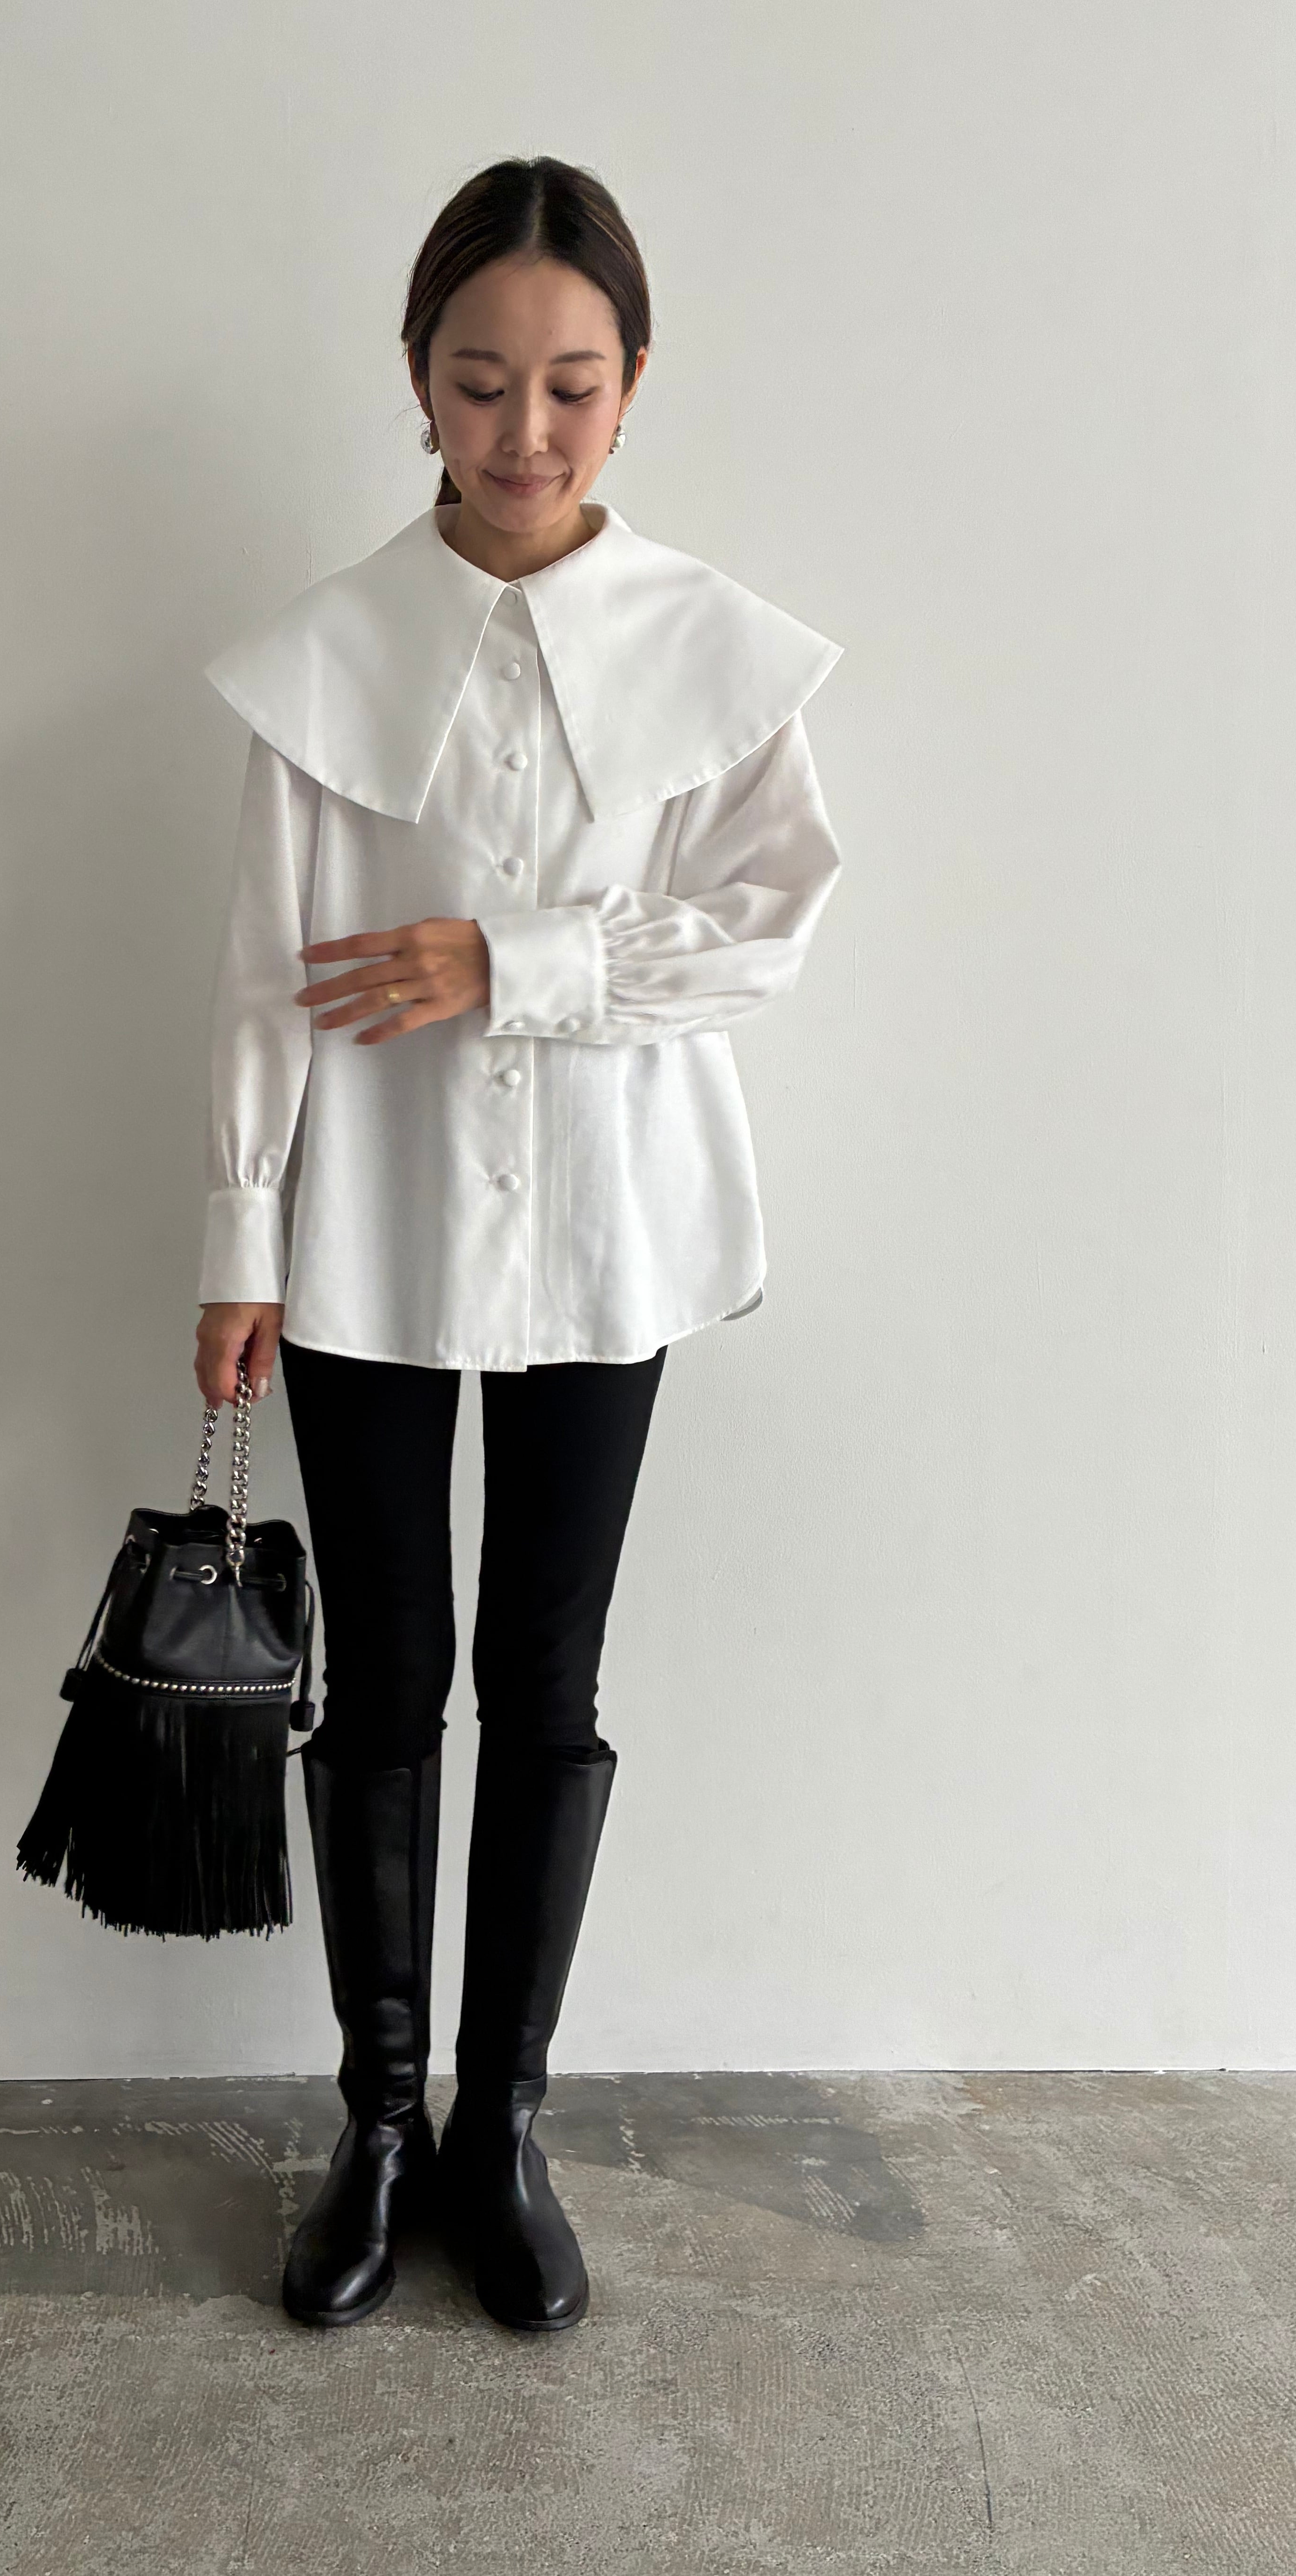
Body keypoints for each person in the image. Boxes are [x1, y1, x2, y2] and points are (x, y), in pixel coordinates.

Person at [191, 156, 845, 2333]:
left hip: (607, 1225)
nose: (526, 427)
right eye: (483, 381)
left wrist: (516, 960)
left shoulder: (710, 648)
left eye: (571, 383)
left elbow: (765, 927)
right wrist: (237, 1231)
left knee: (548, 1677)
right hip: (365, 1221)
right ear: (419, 381)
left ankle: (507, 2130)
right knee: (387, 1677)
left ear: (633, 384)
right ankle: (379, 2126)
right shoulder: (330, 654)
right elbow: (263, 965)